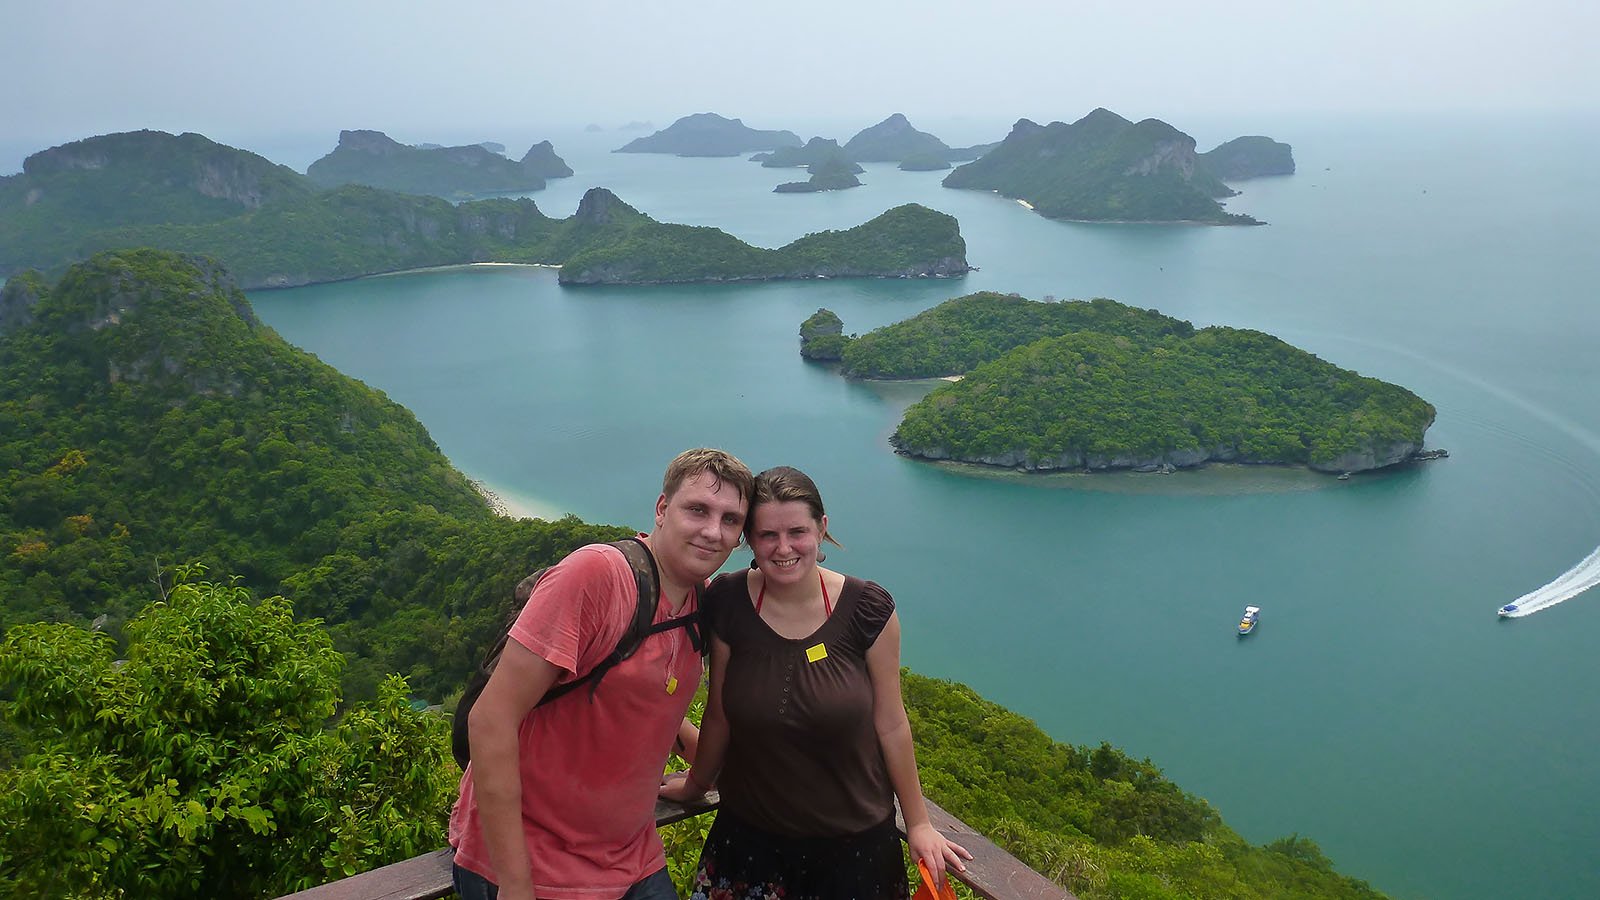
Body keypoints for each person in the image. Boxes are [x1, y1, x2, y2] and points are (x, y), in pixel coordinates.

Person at [450, 448, 754, 900]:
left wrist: (710, 772)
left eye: (731, 520)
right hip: (537, 864)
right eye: (697, 510)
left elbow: (642, 701)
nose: (713, 531)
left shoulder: (699, 602)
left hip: (632, 857)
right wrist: (515, 883)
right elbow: (490, 720)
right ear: (662, 509)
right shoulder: (598, 576)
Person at [661, 465, 971, 900]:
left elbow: (891, 723)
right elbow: (719, 713)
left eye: (797, 532)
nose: (783, 548)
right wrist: (697, 784)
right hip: (747, 843)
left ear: (822, 528)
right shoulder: (728, 601)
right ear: (749, 539)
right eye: (767, 535)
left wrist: (918, 823)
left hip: (855, 851)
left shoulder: (867, 610)